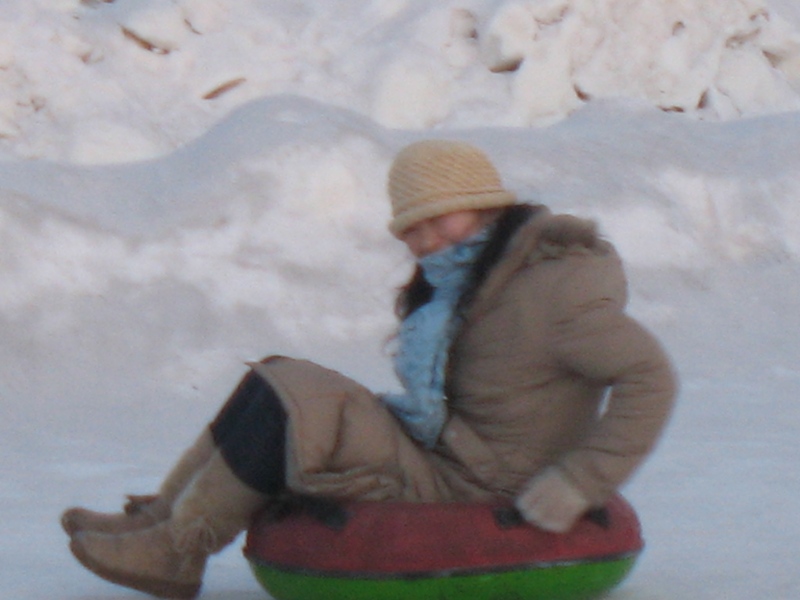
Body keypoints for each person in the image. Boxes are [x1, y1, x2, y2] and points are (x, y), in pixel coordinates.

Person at [62, 139, 677, 599]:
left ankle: (179, 552)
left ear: (487, 209)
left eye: (443, 220)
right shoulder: (474, 281)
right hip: (441, 451)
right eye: (413, 230)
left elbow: (650, 377)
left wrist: (581, 480)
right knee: (275, 376)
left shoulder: (555, 293)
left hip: (482, 482)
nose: (429, 241)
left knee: (300, 396)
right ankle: (162, 517)